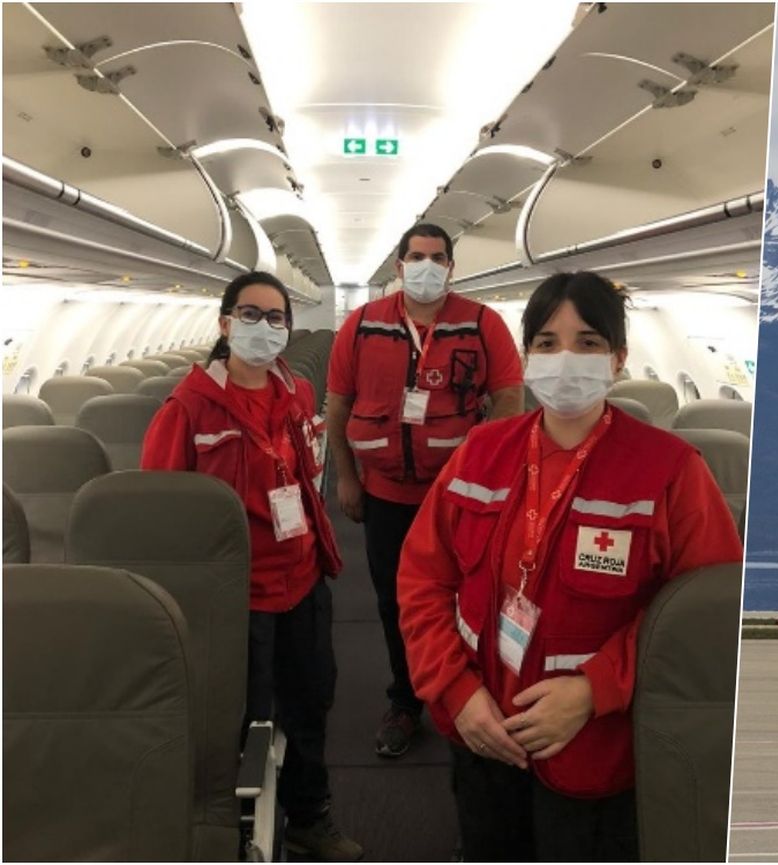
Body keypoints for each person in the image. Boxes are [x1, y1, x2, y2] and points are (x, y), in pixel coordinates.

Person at [398, 271, 742, 860]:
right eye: (548, 343)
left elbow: (700, 617)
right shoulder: (481, 454)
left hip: (595, 747)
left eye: (587, 343)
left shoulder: (670, 470)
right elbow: (422, 580)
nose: (566, 359)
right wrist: (455, 692)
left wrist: (592, 691)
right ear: (527, 355)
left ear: (618, 359)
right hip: (483, 731)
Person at [141, 272, 362, 861]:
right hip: (235, 597)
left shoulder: (297, 393)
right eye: (251, 314)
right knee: (242, 722)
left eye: (276, 317)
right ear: (223, 323)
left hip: (303, 578)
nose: (265, 327)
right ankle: (238, 834)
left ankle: (310, 817)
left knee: (312, 700)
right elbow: (161, 515)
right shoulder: (187, 408)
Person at [325, 223, 525, 758]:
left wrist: (489, 479)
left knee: (469, 602)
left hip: (460, 499)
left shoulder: (484, 324)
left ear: (452, 267)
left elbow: (509, 400)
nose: (427, 266)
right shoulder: (362, 326)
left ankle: (469, 701)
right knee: (396, 605)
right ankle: (407, 700)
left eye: (438, 257)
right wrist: (347, 477)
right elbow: (338, 408)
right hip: (387, 495)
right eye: (417, 256)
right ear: (399, 266)